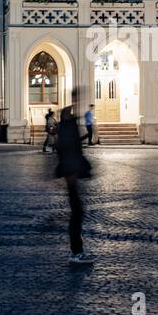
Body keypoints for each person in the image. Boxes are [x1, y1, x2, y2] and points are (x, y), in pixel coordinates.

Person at [54, 95, 94, 264]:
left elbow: (70, 150)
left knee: (77, 213)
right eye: (71, 112)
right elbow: (68, 151)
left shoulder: (67, 128)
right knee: (76, 214)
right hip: (71, 176)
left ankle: (77, 250)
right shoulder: (67, 129)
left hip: (72, 175)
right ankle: (76, 252)